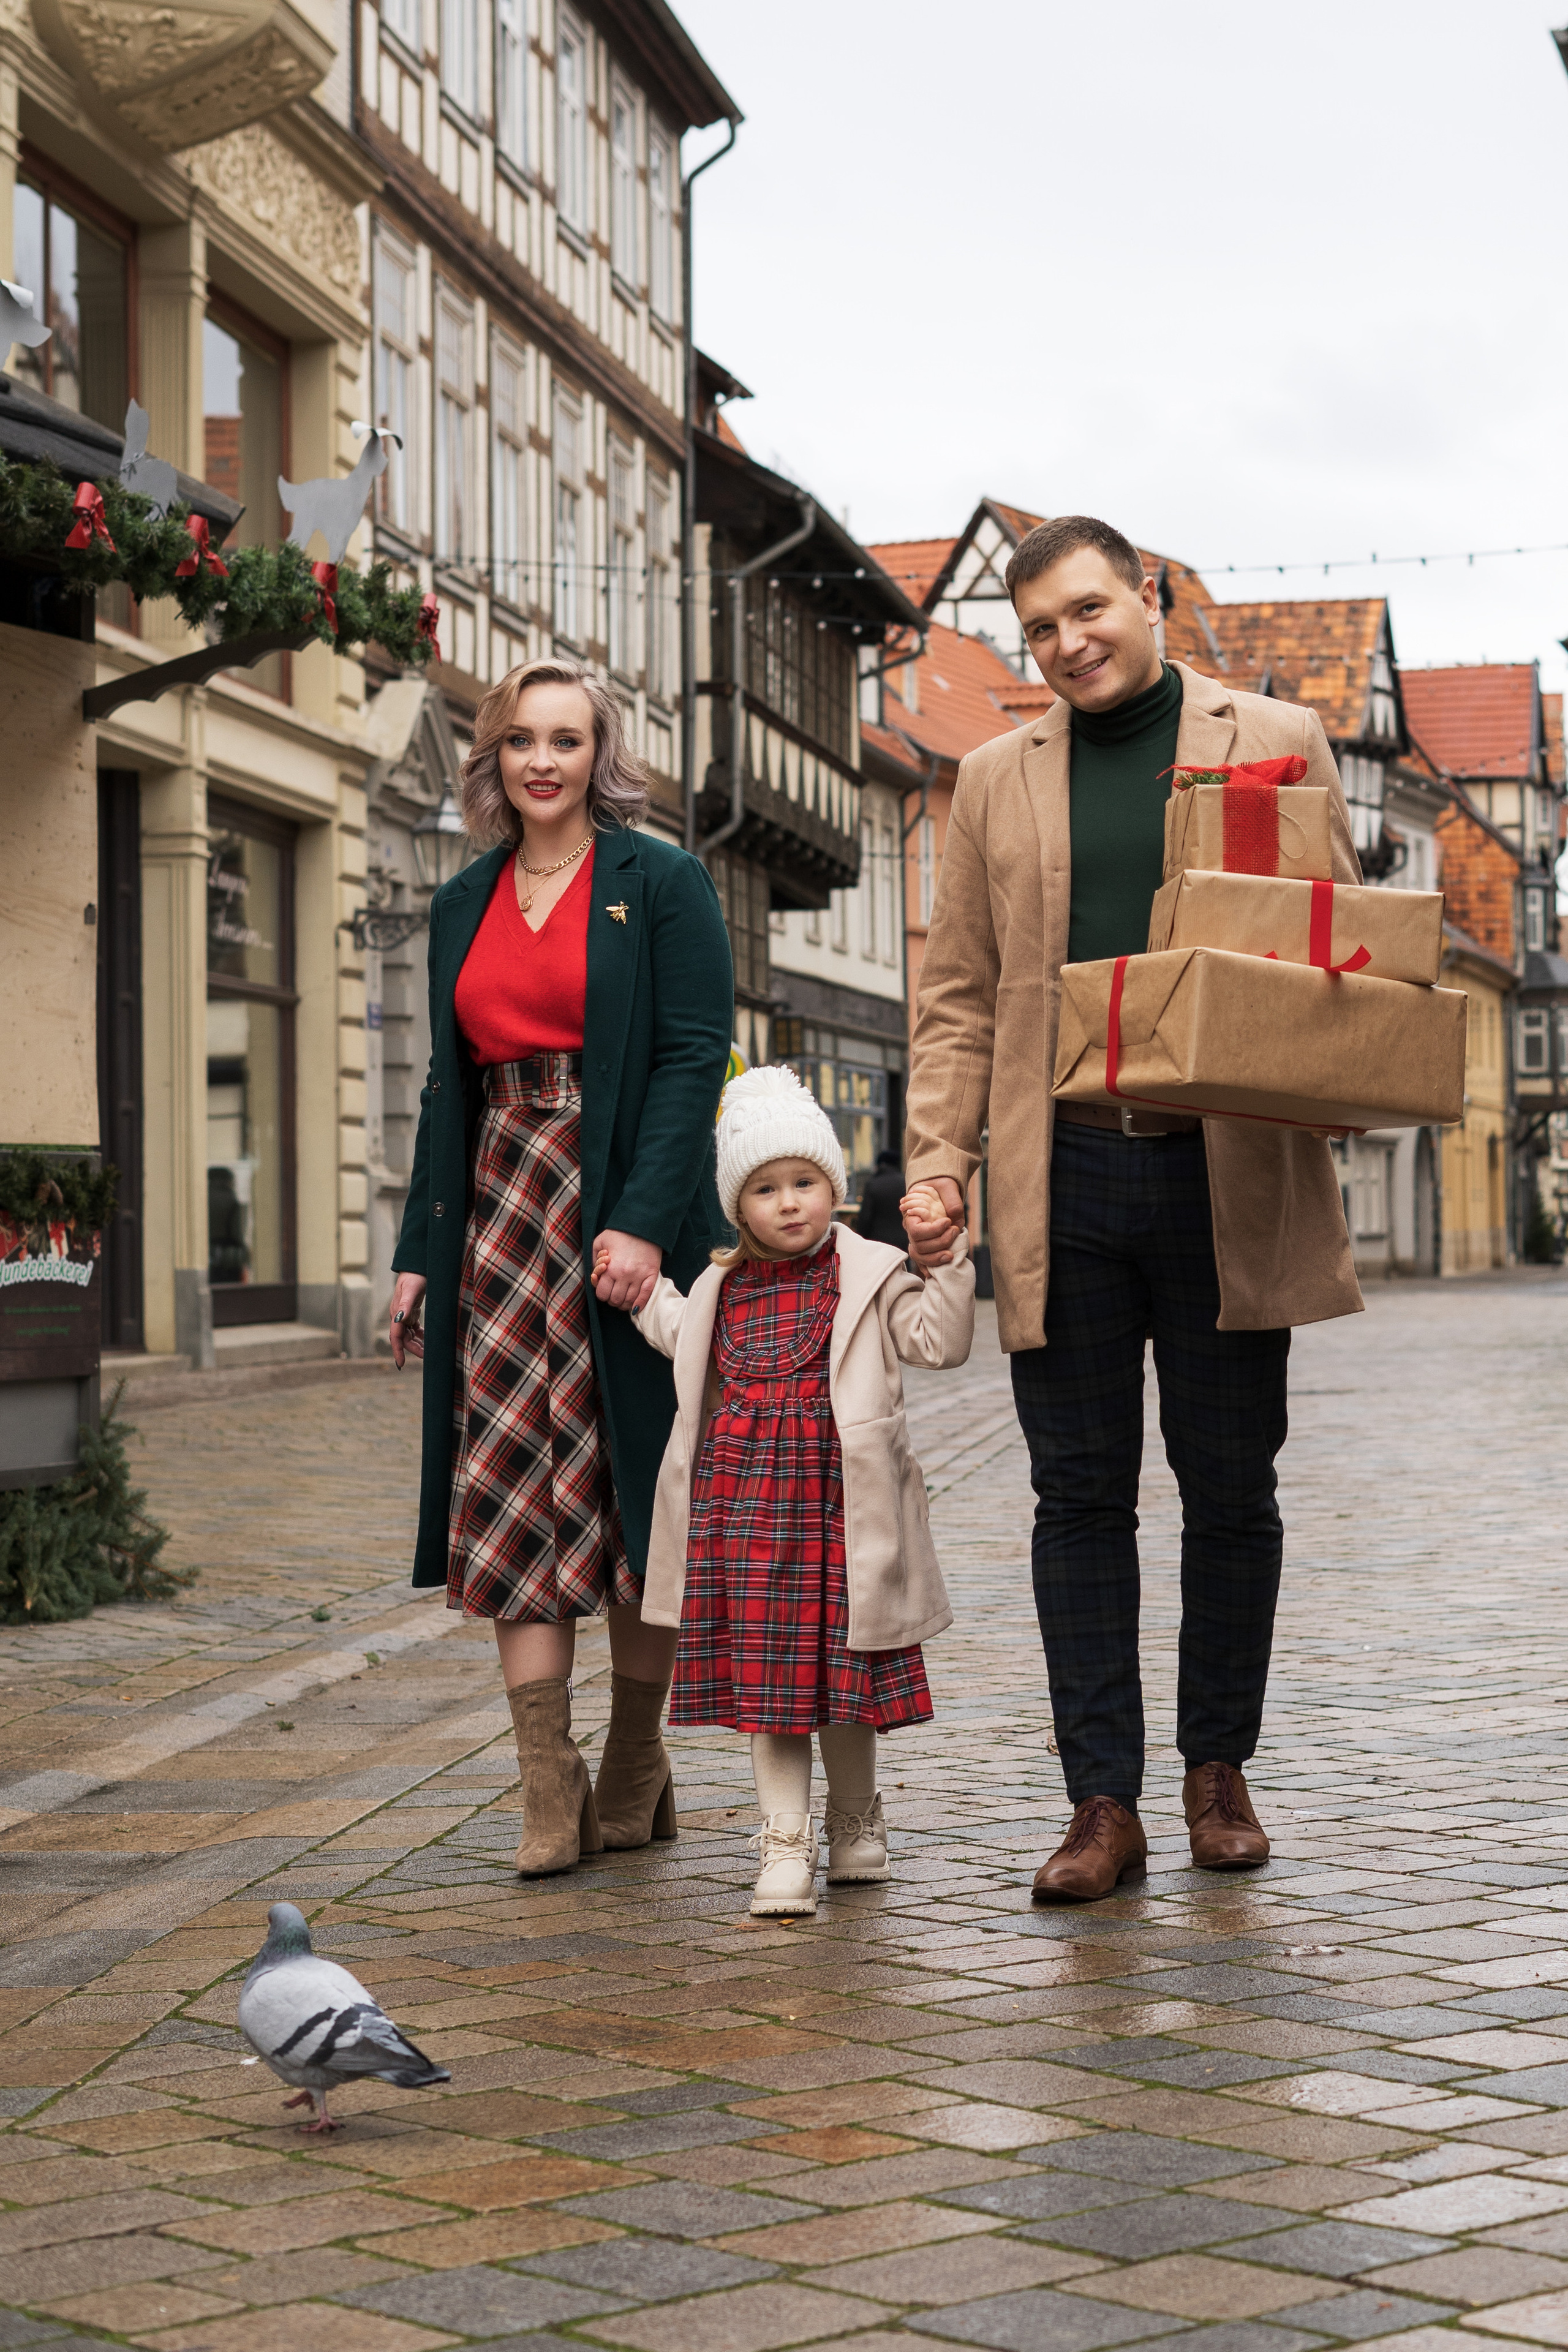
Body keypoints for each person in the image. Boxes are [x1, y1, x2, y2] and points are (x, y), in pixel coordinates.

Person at [902, 516, 1363, 1903]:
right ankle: (1098, 1801)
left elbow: (1328, 939)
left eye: (1088, 610)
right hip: (1068, 1169)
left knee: (1230, 1488)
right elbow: (957, 993)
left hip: (1224, 1167)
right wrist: (939, 1158)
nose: (1066, 643)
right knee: (1076, 1497)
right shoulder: (991, 776)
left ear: (1146, 597)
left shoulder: (1273, 733)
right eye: (1040, 627)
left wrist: (1341, 1066)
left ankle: (1215, 1769)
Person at [388, 656, 733, 1879]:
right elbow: (446, 1086)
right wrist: (419, 1254)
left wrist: (641, 1221)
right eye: (522, 740)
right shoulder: (458, 902)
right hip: (496, 1217)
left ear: (600, 758)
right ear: (494, 759)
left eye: (567, 741)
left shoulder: (664, 883)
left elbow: (694, 1058)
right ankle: (549, 1779)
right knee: (510, 1496)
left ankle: (636, 1758)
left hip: (619, 1207)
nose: (543, 760)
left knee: (631, 1493)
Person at [631, 1066, 974, 1917]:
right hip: (744, 1519)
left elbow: (941, 1343)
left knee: (844, 1681)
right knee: (771, 1692)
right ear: (737, 1207)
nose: (790, 1204)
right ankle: (785, 1841)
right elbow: (675, 1334)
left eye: (806, 1183)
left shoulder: (872, 1276)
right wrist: (642, 1290)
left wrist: (952, 1263)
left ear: (835, 1187)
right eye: (767, 1189)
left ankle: (857, 1825)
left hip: (839, 1516)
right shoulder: (719, 1288)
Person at [854, 1147, 908, 1247]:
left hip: (878, 1241)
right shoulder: (905, 1183)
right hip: (903, 1241)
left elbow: (866, 1217)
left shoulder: (873, 1184)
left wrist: (860, 1239)